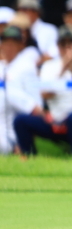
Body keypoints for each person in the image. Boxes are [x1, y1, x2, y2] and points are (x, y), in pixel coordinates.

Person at [14, 28, 72, 156]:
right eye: (63, 44)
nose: (67, 48)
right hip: (56, 119)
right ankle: (28, 157)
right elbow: (45, 94)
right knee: (20, 120)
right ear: (57, 46)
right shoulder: (49, 66)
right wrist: (62, 70)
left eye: (71, 43)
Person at [1, 24, 42, 154]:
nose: (8, 47)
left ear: (20, 45)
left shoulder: (26, 66)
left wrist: (24, 141)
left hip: (14, 130)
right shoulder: (1, 66)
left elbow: (36, 107)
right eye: (5, 42)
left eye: (13, 43)